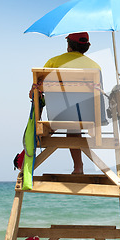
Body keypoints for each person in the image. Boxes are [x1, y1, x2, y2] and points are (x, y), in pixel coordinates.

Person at [29, 32, 101, 174]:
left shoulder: (53, 62)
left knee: (60, 114)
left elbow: (35, 92)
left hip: (58, 116)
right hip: (86, 116)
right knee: (74, 125)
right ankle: (78, 167)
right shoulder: (95, 67)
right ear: (87, 46)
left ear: (68, 45)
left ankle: (39, 139)